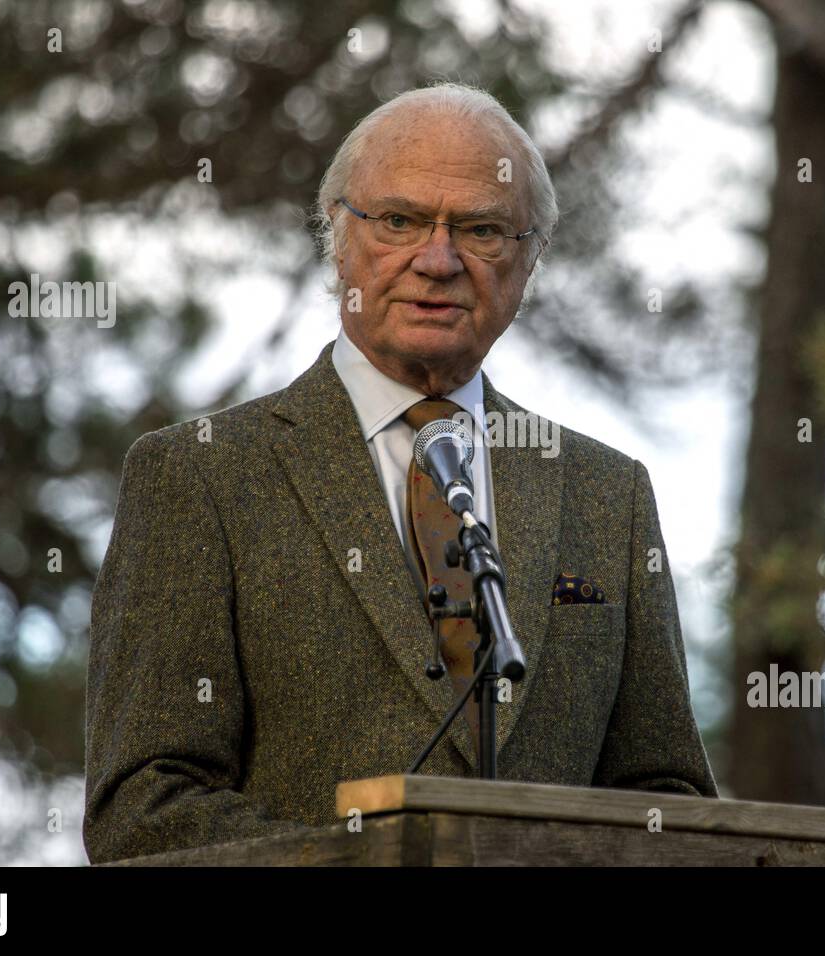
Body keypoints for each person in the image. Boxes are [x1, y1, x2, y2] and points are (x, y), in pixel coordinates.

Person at [83, 82, 718, 864]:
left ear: (530, 261)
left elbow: (669, 800)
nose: (438, 259)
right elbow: (143, 810)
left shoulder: (608, 493)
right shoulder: (199, 475)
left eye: (482, 229)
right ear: (337, 238)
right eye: (400, 221)